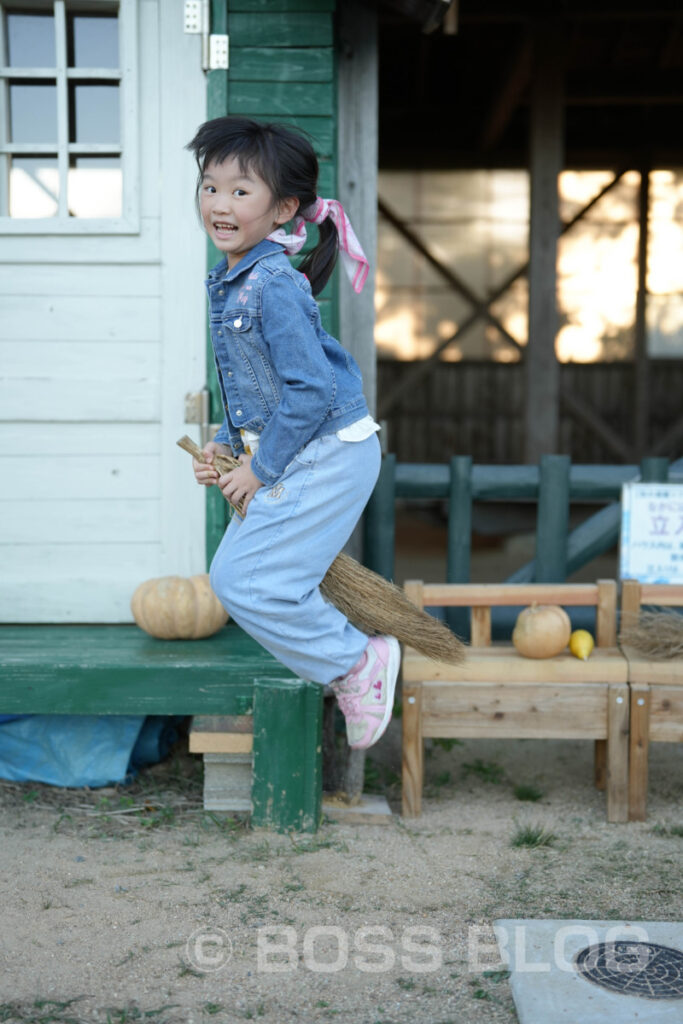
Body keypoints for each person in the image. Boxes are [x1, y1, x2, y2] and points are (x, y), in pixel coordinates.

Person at [186, 116, 400, 750]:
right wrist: (226, 445)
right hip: (297, 448)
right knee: (235, 579)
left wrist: (260, 468)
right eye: (209, 187)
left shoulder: (274, 284)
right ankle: (350, 665)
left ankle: (356, 663)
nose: (220, 204)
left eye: (240, 191)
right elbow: (256, 384)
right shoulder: (233, 278)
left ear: (282, 209)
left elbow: (310, 392)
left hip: (331, 451)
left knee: (250, 583)